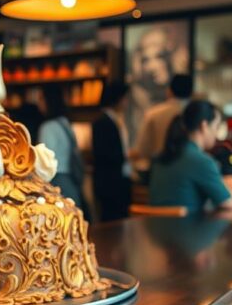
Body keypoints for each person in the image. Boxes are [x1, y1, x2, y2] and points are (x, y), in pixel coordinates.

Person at [148, 100, 232, 213]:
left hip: (154, 224)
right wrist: (230, 182)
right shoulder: (203, 162)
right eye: (216, 127)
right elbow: (230, 203)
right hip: (186, 224)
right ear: (204, 126)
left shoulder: (160, 157)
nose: (216, 134)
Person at [38, 84, 86, 212]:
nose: (39, 103)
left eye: (41, 99)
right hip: (70, 181)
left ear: (49, 100)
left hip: (55, 181)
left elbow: (44, 162)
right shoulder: (65, 123)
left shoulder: (48, 127)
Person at [130, 74, 192, 171]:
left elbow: (142, 149)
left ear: (169, 91)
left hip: (160, 171)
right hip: (189, 170)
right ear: (191, 93)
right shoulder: (195, 114)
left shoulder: (154, 114)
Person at [92, 82, 132, 222]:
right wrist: (126, 156)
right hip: (110, 183)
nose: (126, 103)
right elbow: (105, 153)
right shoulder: (103, 121)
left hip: (114, 180)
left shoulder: (114, 120)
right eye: (125, 99)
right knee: (113, 221)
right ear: (118, 99)